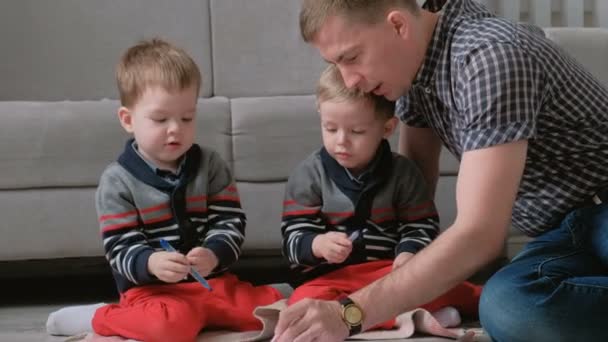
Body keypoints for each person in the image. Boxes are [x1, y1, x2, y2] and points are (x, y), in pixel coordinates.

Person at [273, 0, 608, 341]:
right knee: (508, 306)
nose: (350, 81)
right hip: (563, 233)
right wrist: (394, 273)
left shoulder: (490, 57)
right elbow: (413, 189)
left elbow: (478, 236)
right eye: (335, 65)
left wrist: (348, 313)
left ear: (398, 26)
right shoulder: (413, 67)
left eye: (352, 57)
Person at [46, 39, 283, 342]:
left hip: (211, 284)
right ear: (128, 120)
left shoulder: (210, 165)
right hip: (152, 292)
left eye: (187, 117)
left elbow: (229, 222)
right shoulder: (117, 181)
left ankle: (205, 314)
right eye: (160, 119)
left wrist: (213, 253)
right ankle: (97, 317)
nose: (176, 128)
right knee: (169, 327)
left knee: (275, 307)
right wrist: (151, 263)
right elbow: (119, 247)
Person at [281, 64, 481, 333]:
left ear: (387, 128)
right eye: (330, 128)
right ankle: (408, 317)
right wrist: (317, 244)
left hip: (390, 276)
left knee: (457, 288)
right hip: (332, 278)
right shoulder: (308, 175)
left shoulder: (403, 173)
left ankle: (410, 312)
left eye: (357, 132)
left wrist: (409, 252)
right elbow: (293, 237)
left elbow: (421, 225)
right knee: (303, 302)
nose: (341, 141)